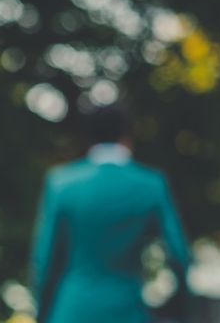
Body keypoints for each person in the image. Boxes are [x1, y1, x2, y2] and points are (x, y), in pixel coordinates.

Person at [30, 105, 190, 323]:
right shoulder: (151, 184)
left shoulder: (61, 183)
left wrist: (41, 314)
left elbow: (44, 261)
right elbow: (179, 255)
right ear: (126, 134)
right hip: (127, 311)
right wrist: (177, 310)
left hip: (71, 311)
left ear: (89, 136)